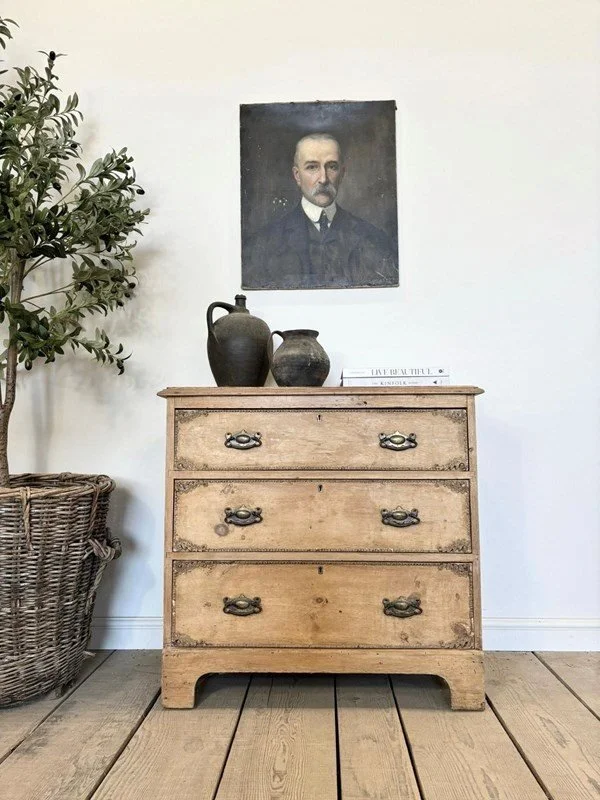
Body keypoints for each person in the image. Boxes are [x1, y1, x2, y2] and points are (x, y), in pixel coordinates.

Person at [242, 133, 398, 289]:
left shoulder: (375, 240)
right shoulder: (263, 245)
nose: (323, 179)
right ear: (297, 176)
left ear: (342, 173)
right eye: (312, 167)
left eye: (332, 167)